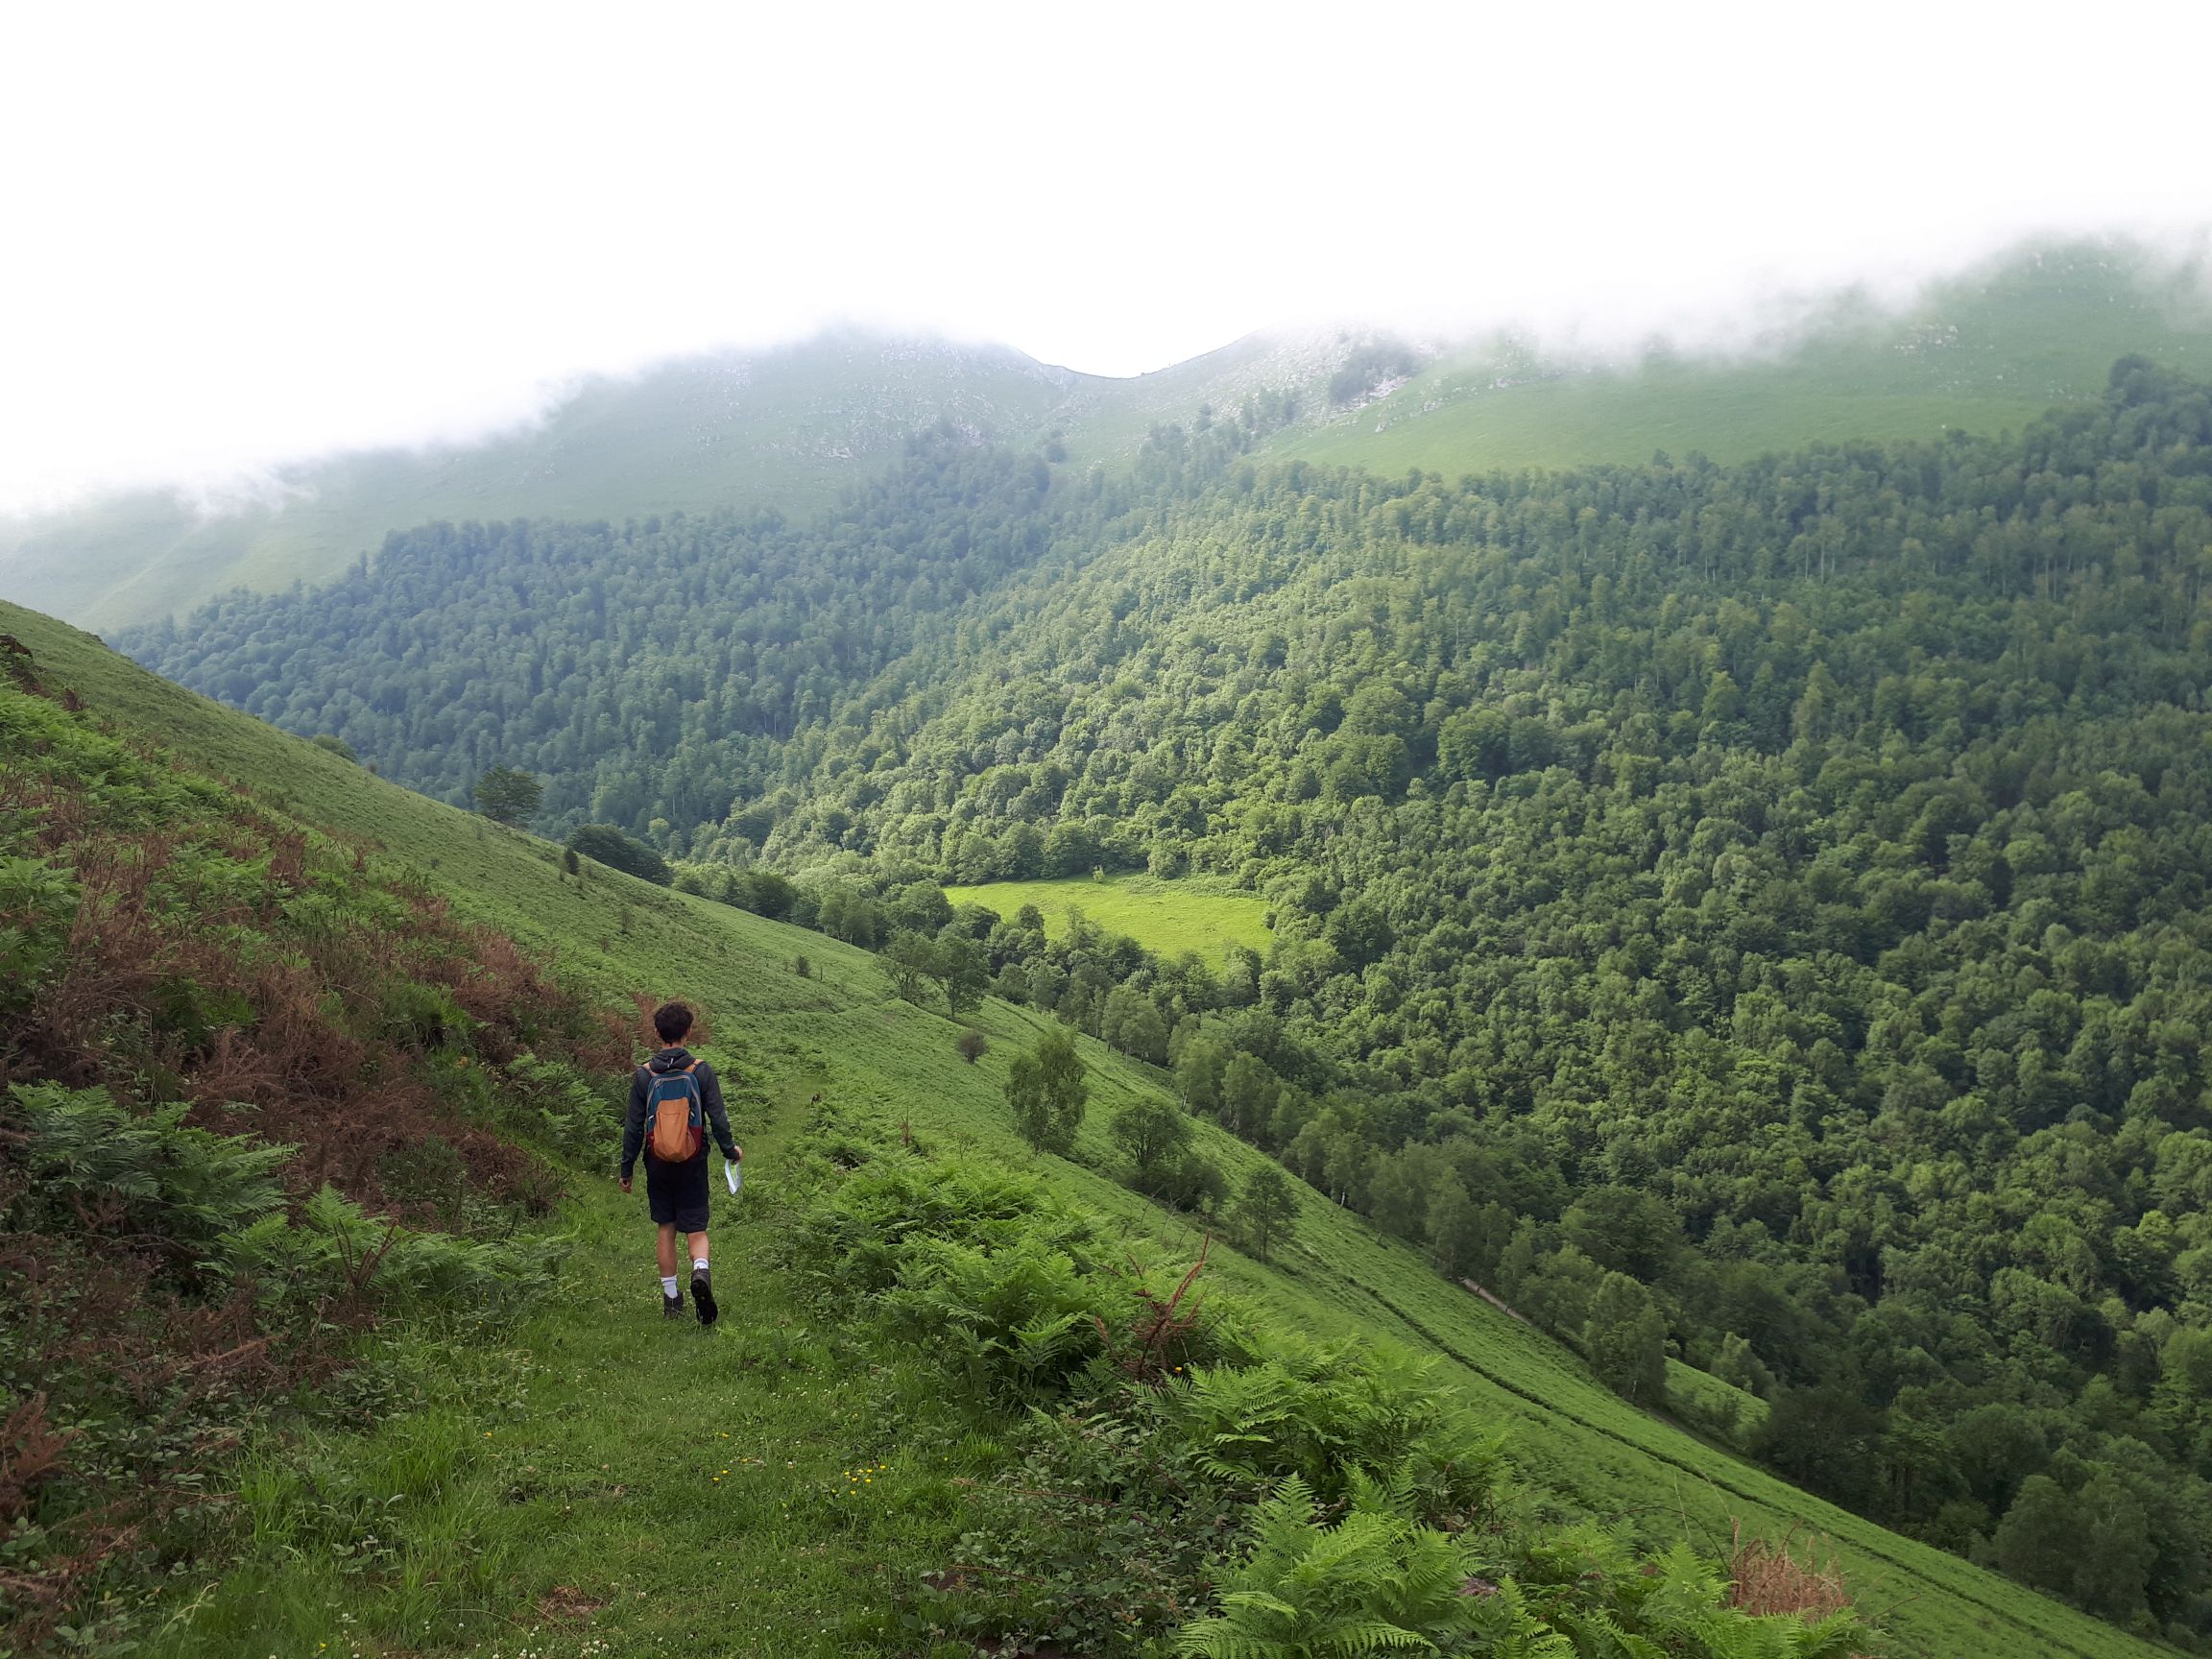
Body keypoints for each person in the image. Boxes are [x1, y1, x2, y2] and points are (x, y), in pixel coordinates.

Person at [619, 1000, 740, 1325]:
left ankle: (672, 1299)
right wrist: (730, 1151)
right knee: (696, 1228)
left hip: (657, 1161)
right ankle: (700, 1272)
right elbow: (718, 1117)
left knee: (666, 1227)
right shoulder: (700, 1070)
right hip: (692, 1159)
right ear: (688, 1031)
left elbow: (633, 1126)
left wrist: (626, 1169)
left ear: (657, 1033)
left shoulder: (644, 1075)